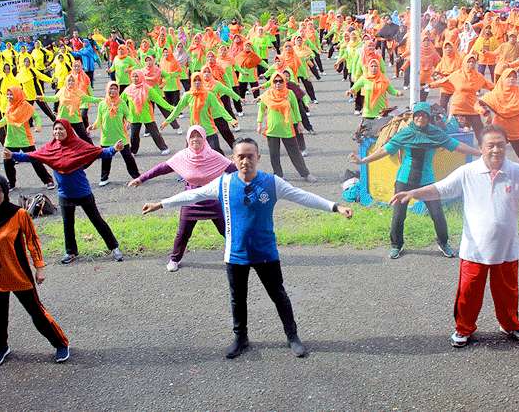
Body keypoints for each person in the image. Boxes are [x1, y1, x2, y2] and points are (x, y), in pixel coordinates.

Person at [142, 137, 353, 358]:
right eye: (240, 156)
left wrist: (335, 207)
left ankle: (292, 337)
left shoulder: (272, 183)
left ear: (258, 158)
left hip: (266, 253)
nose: (245, 161)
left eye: (250, 156)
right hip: (235, 254)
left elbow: (302, 196)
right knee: (238, 298)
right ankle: (240, 338)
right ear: (233, 159)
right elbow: (193, 194)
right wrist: (161, 203)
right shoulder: (223, 183)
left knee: (279, 295)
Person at [390, 125, 519, 348]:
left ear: (507, 146)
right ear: (481, 148)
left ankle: (511, 325)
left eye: (501, 145)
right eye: (490, 145)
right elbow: (440, 188)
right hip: (474, 249)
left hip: (507, 249)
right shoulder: (468, 172)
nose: (496, 150)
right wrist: (413, 193)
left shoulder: (516, 171)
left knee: (508, 292)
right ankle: (463, 329)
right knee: (468, 293)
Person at [0, 175, 70, 367]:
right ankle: (0, 348)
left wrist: (39, 267)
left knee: (37, 313)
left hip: (18, 274)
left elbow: (32, 240)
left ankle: (60, 343)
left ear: (6, 192)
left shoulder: (19, 214)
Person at [351, 102, 480, 259]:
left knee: (437, 214)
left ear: (428, 117)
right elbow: (385, 149)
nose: (420, 117)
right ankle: (396, 245)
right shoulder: (406, 133)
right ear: (414, 116)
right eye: (418, 114)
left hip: (427, 181)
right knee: (399, 215)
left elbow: (457, 146)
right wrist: (363, 161)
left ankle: (443, 243)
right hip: (404, 180)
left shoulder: (436, 134)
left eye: (424, 115)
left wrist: (479, 152)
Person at [4, 119, 125, 264]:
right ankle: (70, 252)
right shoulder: (50, 148)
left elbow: (99, 152)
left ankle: (114, 248)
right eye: (55, 129)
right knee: (68, 224)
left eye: (61, 129)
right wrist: (13, 155)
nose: (58, 132)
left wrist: (114, 149)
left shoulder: (79, 145)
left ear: (68, 130)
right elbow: (32, 156)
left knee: (97, 221)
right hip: (64, 194)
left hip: (83, 192)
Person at [129, 125, 235, 272]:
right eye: (192, 136)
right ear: (187, 139)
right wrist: (141, 179)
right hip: (190, 200)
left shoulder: (214, 156)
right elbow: (162, 168)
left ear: (204, 139)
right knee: (183, 233)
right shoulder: (183, 156)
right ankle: (174, 259)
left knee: (227, 230)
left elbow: (234, 169)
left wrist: (253, 182)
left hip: (213, 200)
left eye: (199, 136)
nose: (195, 139)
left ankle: (241, 254)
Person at [477, 68, 519, 180]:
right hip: (499, 129)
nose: (512, 79)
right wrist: (485, 113)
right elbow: (478, 104)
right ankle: (489, 173)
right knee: (493, 152)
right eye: (509, 77)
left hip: (517, 130)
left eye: (514, 77)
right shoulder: (495, 94)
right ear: (503, 79)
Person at [0, 87, 55, 190]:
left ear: (17, 95)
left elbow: (36, 116)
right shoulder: (9, 106)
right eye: (8, 95)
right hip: (11, 139)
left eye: (11, 94)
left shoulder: (26, 106)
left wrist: (38, 126)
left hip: (25, 139)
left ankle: (48, 180)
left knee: (35, 160)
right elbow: (6, 119)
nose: (9, 97)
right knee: (7, 162)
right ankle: (11, 183)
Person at [257, 73, 315, 182]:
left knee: (295, 153)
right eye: (275, 81)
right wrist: (259, 124)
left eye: (280, 81)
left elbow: (295, 108)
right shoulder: (267, 94)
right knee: (274, 154)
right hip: (272, 129)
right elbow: (261, 109)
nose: (278, 83)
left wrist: (299, 123)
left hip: (287, 128)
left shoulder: (290, 93)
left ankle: (305, 174)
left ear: (284, 82)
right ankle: (278, 175)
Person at [87, 81, 141, 186]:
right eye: (111, 88)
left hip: (121, 137)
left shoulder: (122, 103)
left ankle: (137, 177)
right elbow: (99, 120)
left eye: (115, 89)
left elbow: (128, 115)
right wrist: (93, 127)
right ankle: (104, 178)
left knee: (128, 158)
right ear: (107, 90)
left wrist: (129, 121)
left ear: (118, 90)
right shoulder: (102, 104)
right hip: (106, 138)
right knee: (106, 159)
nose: (113, 91)